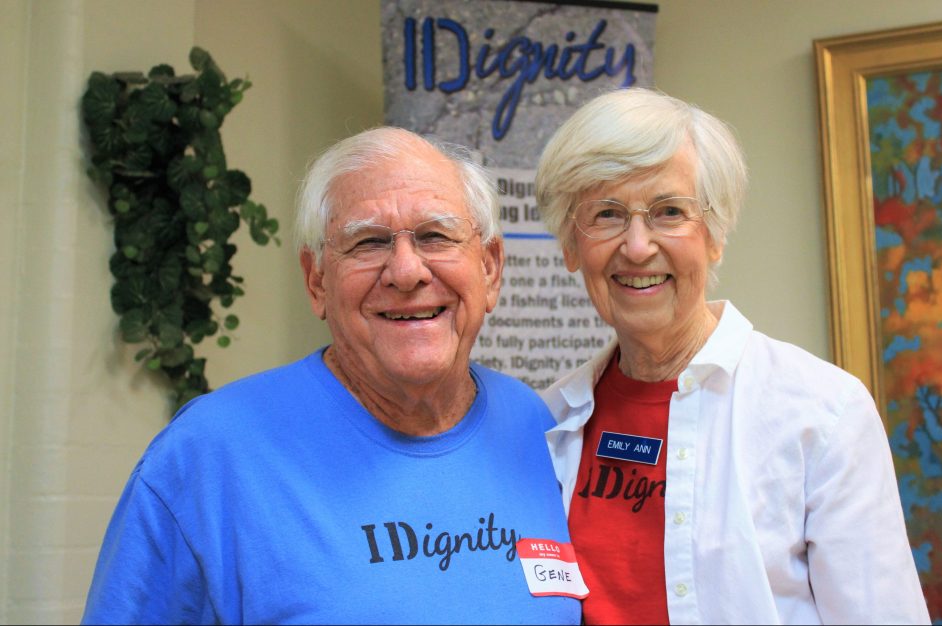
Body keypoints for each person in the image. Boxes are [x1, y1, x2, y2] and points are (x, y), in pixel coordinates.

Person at [82, 127, 582, 624]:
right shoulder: (206, 456)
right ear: (316, 279)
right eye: (367, 242)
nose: (406, 272)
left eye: (435, 235)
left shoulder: (534, 427)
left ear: (491, 269)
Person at [534, 88, 930, 625]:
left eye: (669, 211)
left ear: (714, 235)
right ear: (570, 247)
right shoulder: (550, 421)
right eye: (606, 215)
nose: (636, 245)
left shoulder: (822, 412)